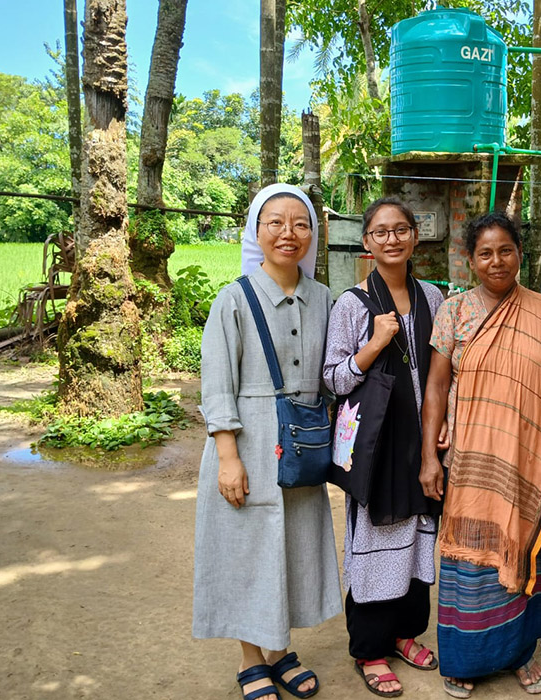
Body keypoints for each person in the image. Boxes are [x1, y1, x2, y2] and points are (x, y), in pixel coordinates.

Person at [193, 184, 342, 700]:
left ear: (313, 235)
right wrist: (228, 457)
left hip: (299, 443)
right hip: (248, 442)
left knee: (293, 548)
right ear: (256, 232)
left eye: (300, 223)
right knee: (246, 551)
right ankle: (250, 658)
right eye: (274, 222)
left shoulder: (324, 298)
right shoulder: (234, 299)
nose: (288, 233)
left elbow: (333, 374)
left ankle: (279, 650)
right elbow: (216, 385)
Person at [419, 212, 541, 698]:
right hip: (472, 461)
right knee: (473, 559)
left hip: (532, 461)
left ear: (520, 255)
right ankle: (464, 659)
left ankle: (520, 656)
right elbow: (437, 387)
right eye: (485, 253)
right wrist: (429, 456)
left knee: (527, 552)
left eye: (505, 250)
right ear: (470, 260)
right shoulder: (454, 312)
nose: (496, 261)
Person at [323, 197, 446, 697]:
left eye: (401, 230)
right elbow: (333, 379)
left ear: (416, 237)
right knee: (375, 544)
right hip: (377, 451)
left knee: (418, 539)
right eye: (381, 232)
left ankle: (403, 633)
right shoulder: (352, 304)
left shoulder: (434, 298)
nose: (392, 239)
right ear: (368, 244)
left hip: (422, 446)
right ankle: (371, 648)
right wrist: (371, 346)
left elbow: (446, 372)